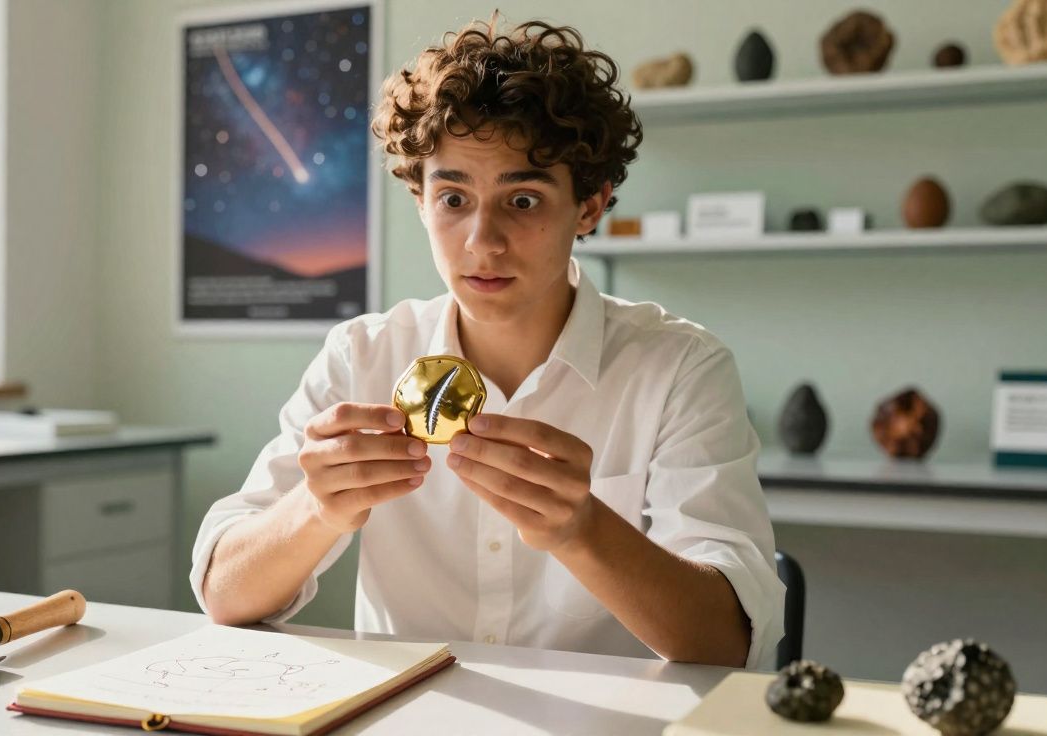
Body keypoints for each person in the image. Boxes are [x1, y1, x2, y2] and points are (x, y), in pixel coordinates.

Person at [190, 17, 784, 669]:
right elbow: (223, 594)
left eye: (523, 200)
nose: (482, 241)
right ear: (419, 198)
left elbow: (728, 645)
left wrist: (583, 528)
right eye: (452, 199)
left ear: (589, 206)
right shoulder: (361, 356)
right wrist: (317, 507)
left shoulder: (679, 370)